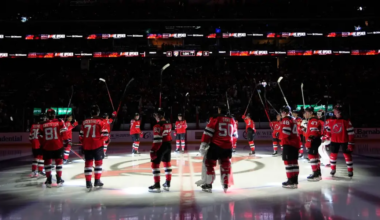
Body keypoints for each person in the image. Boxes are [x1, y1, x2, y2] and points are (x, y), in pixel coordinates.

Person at [198, 104, 235, 193]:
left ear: (219, 110)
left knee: (209, 163)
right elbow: (234, 135)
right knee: (225, 164)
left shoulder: (215, 118)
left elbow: (208, 132)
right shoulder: (232, 120)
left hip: (216, 145)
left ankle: (208, 184)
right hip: (228, 146)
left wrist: (203, 144)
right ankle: (225, 184)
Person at [79, 105, 109, 191]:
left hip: (87, 146)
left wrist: (84, 142)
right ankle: (97, 181)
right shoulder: (101, 121)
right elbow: (105, 136)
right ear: (98, 112)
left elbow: (81, 136)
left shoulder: (84, 122)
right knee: (98, 164)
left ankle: (88, 183)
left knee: (88, 164)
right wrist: (103, 140)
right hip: (98, 146)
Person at [38, 109, 67, 188]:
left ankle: (48, 179)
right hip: (58, 145)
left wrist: (42, 144)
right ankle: (59, 178)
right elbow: (64, 131)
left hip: (47, 146)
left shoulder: (42, 124)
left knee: (47, 163)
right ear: (54, 115)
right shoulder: (59, 122)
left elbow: (40, 136)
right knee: (59, 162)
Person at [325, 104, 355, 178]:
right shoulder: (331, 120)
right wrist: (327, 136)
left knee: (347, 155)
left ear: (339, 112)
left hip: (344, 140)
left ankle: (350, 170)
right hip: (334, 141)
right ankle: (333, 169)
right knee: (333, 155)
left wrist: (350, 143)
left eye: (335, 110)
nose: (334, 112)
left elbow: (351, 133)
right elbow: (328, 130)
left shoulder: (346, 121)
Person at [148, 108, 173, 193]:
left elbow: (157, 140)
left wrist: (153, 150)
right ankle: (168, 183)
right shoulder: (168, 123)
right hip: (168, 145)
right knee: (167, 163)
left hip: (161, 146)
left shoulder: (157, 126)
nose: (155, 117)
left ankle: (157, 184)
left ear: (160, 115)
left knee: (154, 165)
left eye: (156, 115)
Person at [279, 106, 301, 189]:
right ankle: (295, 180)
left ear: (284, 112)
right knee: (294, 162)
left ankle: (290, 181)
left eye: (281, 112)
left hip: (289, 143)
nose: (281, 114)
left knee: (288, 162)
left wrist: (279, 135)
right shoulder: (293, 119)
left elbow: (286, 132)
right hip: (295, 143)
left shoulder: (285, 120)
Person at [304, 107, 324, 181]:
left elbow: (314, 132)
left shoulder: (313, 120)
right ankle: (317, 173)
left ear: (311, 113)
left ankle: (315, 174)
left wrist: (309, 140)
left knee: (312, 156)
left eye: (306, 112)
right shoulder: (312, 120)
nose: (305, 114)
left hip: (313, 140)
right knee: (315, 156)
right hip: (315, 140)